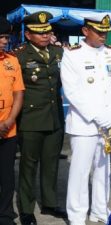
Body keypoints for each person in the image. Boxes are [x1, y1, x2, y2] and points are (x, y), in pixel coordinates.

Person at [60, 13, 111, 225]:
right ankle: (77, 215)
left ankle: (100, 210)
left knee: (104, 169)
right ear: (85, 31)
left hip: (109, 123)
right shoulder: (72, 55)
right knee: (80, 172)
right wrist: (98, 116)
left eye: (106, 32)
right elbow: (72, 92)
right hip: (85, 124)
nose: (103, 35)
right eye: (99, 32)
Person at [14, 11, 66, 225]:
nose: (45, 35)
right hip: (31, 119)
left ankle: (50, 203)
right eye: (39, 32)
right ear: (28, 35)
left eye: (47, 31)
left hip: (55, 118)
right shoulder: (20, 56)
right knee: (28, 165)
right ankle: (26, 209)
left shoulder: (59, 53)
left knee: (51, 163)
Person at [0, 17, 24, 225]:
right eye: (0, 37)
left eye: (6, 37)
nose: (4, 41)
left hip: (8, 128)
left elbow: (18, 94)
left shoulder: (12, 61)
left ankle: (6, 214)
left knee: (7, 175)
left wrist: (9, 120)